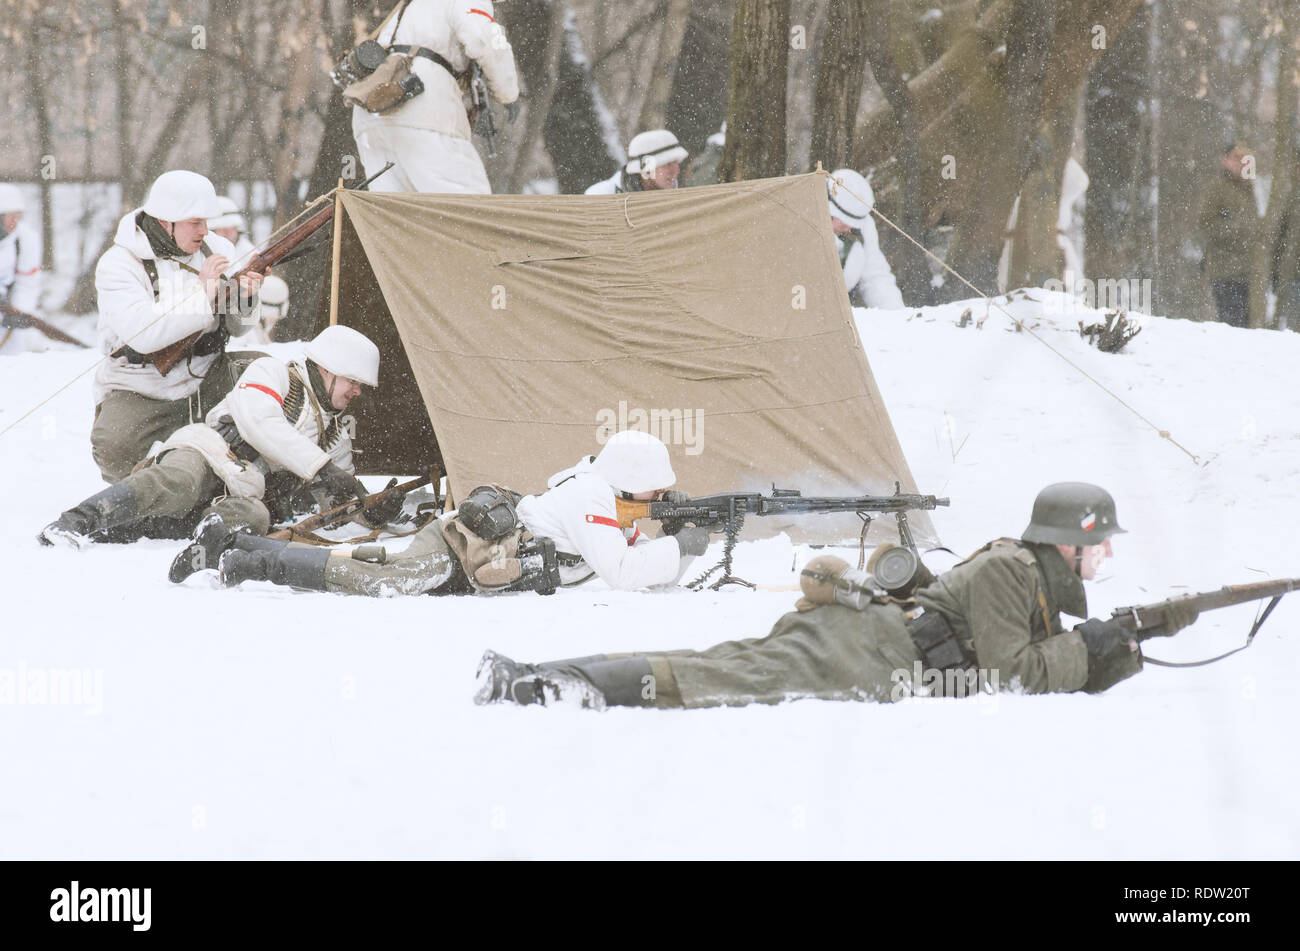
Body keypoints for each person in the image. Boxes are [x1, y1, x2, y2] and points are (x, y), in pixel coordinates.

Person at [474, 482, 1200, 710]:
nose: (1105, 554)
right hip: (868, 650)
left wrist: (1116, 643)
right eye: (1099, 541)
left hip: (871, 637)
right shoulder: (1015, 570)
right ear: (1066, 543)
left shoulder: (1022, 569)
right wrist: (1092, 646)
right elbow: (1014, 671)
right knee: (720, 672)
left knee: (717, 661)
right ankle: (544, 684)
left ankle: (545, 677)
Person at [180, 429, 710, 597]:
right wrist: (685, 544)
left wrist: (672, 534)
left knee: (370, 560)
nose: (656, 504)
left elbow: (633, 560)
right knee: (375, 580)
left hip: (475, 553)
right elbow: (621, 573)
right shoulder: (593, 496)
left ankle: (239, 545)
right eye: (654, 495)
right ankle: (244, 563)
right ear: (629, 485)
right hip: (462, 548)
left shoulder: (603, 498)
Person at [39, 326, 381, 550]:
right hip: (209, 451)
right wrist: (321, 467)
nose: (357, 391)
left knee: (255, 518)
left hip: (246, 488)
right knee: (179, 481)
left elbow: (339, 496)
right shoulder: (274, 372)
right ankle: (78, 521)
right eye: (353, 381)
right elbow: (260, 422)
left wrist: (370, 511)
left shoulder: (336, 433)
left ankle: (171, 533)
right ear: (327, 369)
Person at [91, 169, 264, 485]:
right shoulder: (118, 264)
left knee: (268, 377)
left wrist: (247, 299)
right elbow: (144, 335)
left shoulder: (220, 250)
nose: (205, 231)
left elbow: (238, 329)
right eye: (195, 223)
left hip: (208, 373)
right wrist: (202, 293)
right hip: (142, 383)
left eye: (206, 222)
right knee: (117, 453)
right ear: (163, 221)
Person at [351, 0, 520, 194]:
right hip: (421, 111)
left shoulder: (410, 7)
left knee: (398, 217)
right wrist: (508, 93)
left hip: (374, 114)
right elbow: (485, 41)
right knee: (470, 210)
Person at [1197, 142, 1259, 328]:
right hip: (1225, 271)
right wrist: (1235, 227)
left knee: (1246, 328)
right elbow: (1205, 224)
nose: (1241, 162)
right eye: (1236, 157)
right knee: (1231, 327)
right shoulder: (1217, 188)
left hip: (1248, 273)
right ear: (1225, 161)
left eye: (1244, 158)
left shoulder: (1249, 189)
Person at [827, 168, 905, 310]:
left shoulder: (862, 228)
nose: (849, 229)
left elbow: (875, 276)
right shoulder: (804, 225)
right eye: (844, 221)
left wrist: (895, 314)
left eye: (853, 224)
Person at [0, 182, 43, 352]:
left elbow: (28, 281)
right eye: (10, 216)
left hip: (6, 312)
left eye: (18, 215)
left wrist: (20, 311)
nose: (15, 221)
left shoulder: (26, 240)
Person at [584, 130, 689, 195]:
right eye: (668, 164)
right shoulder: (601, 197)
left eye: (676, 163)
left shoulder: (679, 205)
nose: (677, 170)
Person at [207, 196, 257, 263]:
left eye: (232, 228)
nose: (227, 233)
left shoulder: (249, 252)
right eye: (222, 229)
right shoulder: (201, 255)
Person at [685, 123, 725, 187]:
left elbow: (703, 159)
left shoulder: (715, 145)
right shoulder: (717, 145)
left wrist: (693, 165)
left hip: (703, 180)